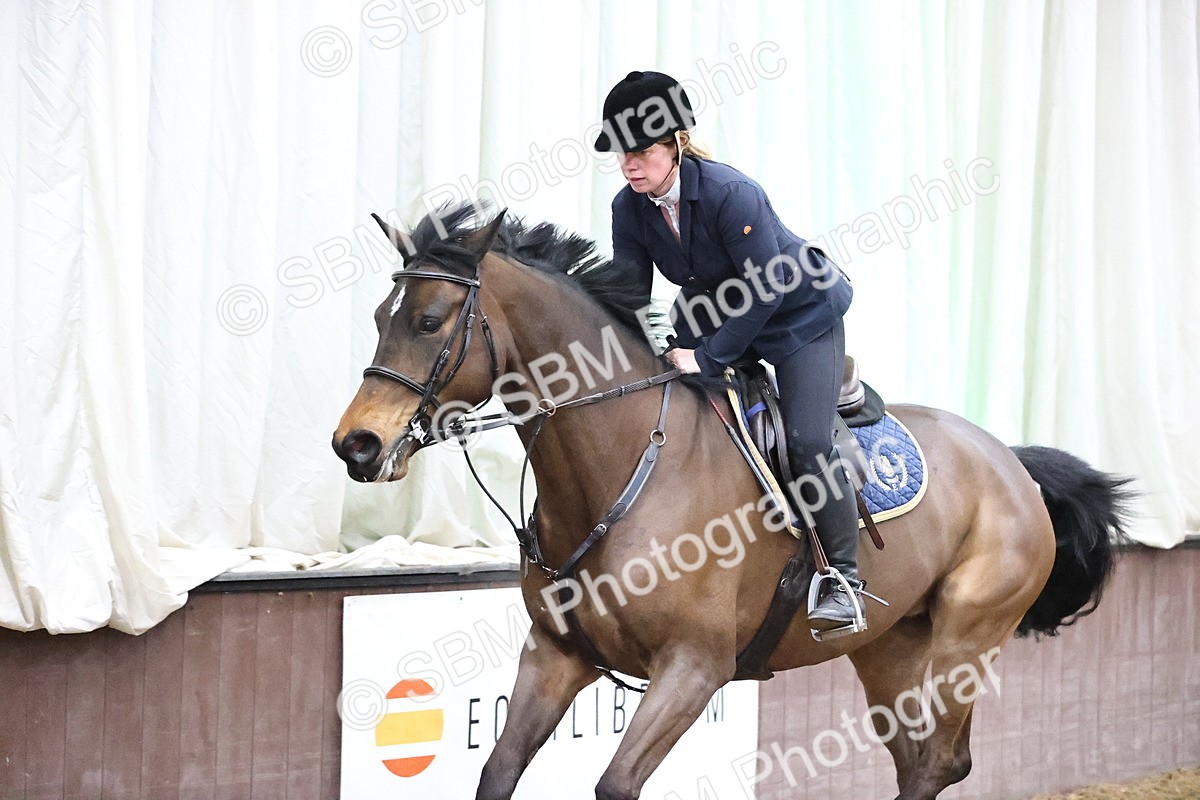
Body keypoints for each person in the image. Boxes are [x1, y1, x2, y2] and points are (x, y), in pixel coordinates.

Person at [595, 70, 880, 633]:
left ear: (676, 142)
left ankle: (844, 580)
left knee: (806, 439)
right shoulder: (628, 208)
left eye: (642, 151)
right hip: (720, 309)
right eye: (622, 153)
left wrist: (708, 360)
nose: (630, 164)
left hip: (799, 315)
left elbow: (766, 289)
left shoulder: (729, 191)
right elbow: (629, 293)